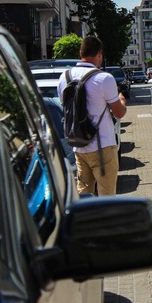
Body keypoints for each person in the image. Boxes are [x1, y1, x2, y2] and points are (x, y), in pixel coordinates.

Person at [57, 36, 127, 196]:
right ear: (100, 54)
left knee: (83, 193)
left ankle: (85, 221)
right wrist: (122, 101)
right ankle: (106, 221)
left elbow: (65, 106)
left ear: (80, 52)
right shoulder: (104, 78)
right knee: (107, 195)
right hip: (102, 146)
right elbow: (119, 113)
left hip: (79, 145)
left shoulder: (64, 77)